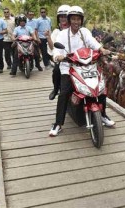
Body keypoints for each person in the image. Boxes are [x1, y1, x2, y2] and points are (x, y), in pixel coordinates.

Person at [49, 6, 114, 136]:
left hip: (86, 66)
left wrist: (101, 50)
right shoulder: (62, 34)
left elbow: (93, 43)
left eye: (78, 19)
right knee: (64, 92)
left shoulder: (84, 32)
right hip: (68, 67)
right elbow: (57, 50)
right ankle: (58, 123)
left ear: (81, 20)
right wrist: (58, 56)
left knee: (100, 88)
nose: (76, 22)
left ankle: (103, 115)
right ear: (69, 20)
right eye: (73, 19)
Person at [46, 5, 70, 100]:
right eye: (61, 16)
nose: (63, 18)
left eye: (65, 16)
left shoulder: (76, 30)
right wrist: (48, 37)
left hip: (77, 58)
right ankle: (56, 89)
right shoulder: (56, 31)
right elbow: (53, 48)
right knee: (56, 71)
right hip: (62, 59)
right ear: (58, 18)